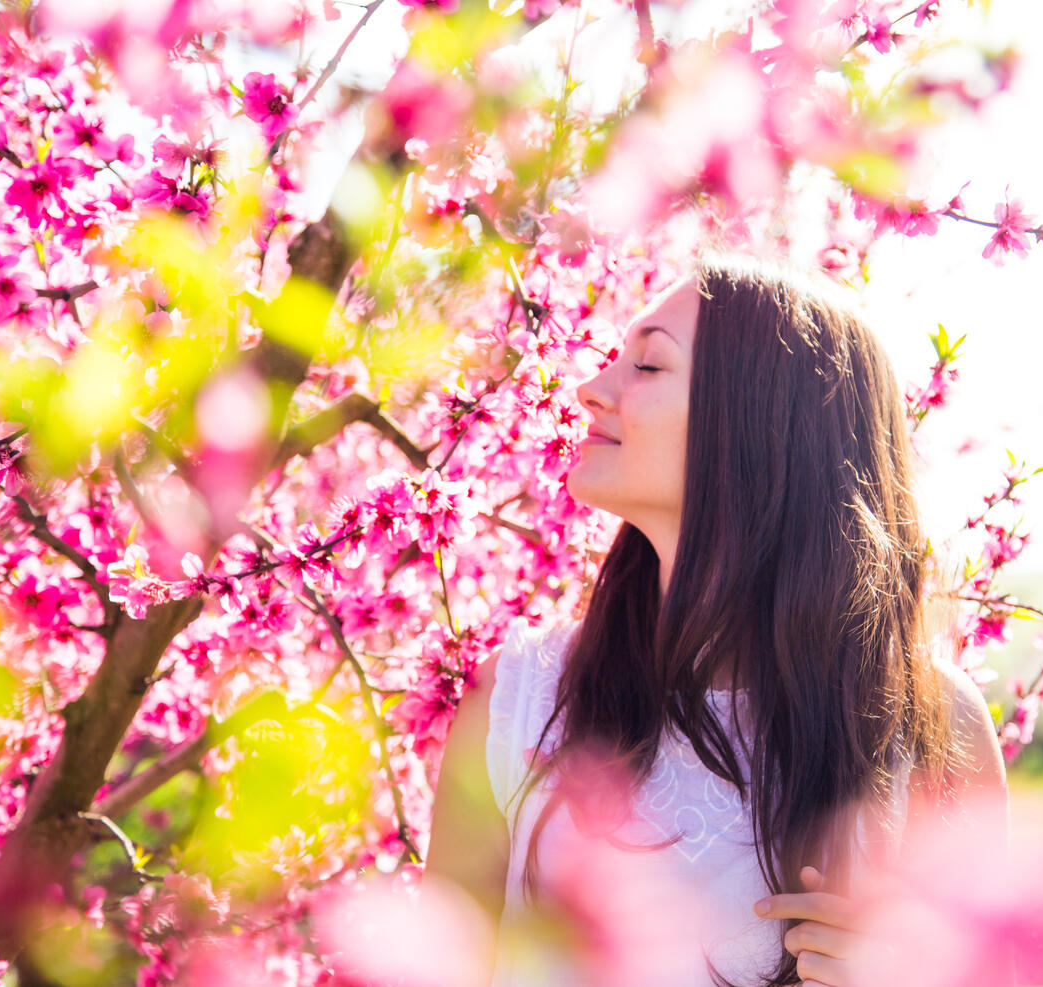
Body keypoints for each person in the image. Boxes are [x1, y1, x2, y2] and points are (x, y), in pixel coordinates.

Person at [424, 252, 1010, 987]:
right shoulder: (521, 699)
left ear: (756, 424)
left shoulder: (928, 725)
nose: (589, 389)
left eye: (648, 367)